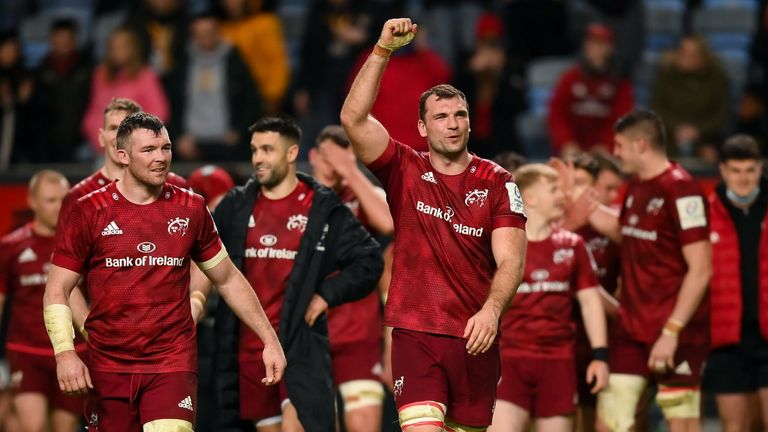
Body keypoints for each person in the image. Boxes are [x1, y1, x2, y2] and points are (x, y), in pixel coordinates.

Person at [340, 18, 528, 432]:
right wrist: (383, 51)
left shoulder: (498, 181)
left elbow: (511, 260)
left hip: (475, 337)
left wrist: (492, 312)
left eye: (460, 114)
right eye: (441, 116)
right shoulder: (403, 169)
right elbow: (353, 120)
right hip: (415, 334)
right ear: (423, 128)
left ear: (470, 122)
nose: (453, 123)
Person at [44, 112, 286, 431]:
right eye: (149, 150)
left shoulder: (191, 207)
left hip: (171, 362)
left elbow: (226, 278)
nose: (160, 158)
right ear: (122, 155)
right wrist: (65, 353)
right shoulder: (88, 210)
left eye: (166, 148)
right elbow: (57, 288)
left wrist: (269, 338)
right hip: (108, 366)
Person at [205, 116, 383, 431]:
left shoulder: (331, 205)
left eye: (268, 149)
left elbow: (376, 247)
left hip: (318, 342)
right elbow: (206, 259)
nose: (258, 157)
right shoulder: (240, 205)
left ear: (290, 153)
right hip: (258, 345)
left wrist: (325, 295)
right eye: (255, 149)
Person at [582, 109, 711, 432]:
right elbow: (627, 234)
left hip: (675, 332)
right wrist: (579, 201)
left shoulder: (683, 189)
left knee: (681, 425)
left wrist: (671, 331)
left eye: (620, 145)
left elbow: (702, 268)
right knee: (609, 424)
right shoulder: (638, 186)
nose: (615, 152)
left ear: (640, 144)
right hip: (631, 330)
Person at [490, 163, 608, 432]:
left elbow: (590, 303)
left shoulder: (572, 245)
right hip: (509, 360)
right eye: (553, 189)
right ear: (529, 197)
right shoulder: (501, 245)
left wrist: (600, 356)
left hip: (558, 363)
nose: (562, 196)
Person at [309, 124, 394, 431]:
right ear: (314, 156)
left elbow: (388, 223)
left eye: (342, 159)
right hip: (310, 331)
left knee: (364, 424)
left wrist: (352, 171)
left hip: (359, 333)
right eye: (329, 159)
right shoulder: (296, 197)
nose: (334, 167)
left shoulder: (363, 195)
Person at [0, 170, 83, 432]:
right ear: (32, 201)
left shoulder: (83, 243)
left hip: (74, 352)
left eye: (63, 199)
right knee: (33, 427)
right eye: (50, 200)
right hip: (26, 352)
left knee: (65, 427)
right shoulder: (10, 246)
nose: (58, 207)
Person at [704, 135, 768, 432]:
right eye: (736, 170)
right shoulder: (705, 214)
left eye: (750, 170)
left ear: (761, 169)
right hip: (726, 339)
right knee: (735, 427)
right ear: (723, 171)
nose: (743, 178)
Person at [165, 11, 262, 162]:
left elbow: (252, 101)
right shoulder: (182, 63)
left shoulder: (234, 61)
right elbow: (170, 102)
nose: (205, 38)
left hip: (227, 142)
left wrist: (239, 132)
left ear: (218, 32)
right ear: (193, 35)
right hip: (189, 142)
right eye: (200, 33)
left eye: (209, 32)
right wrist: (177, 136)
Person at [547, 23, 634, 156]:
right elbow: (557, 114)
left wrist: (607, 145)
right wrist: (565, 143)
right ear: (585, 46)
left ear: (610, 48)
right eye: (592, 43)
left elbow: (623, 119)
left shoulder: (620, 83)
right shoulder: (569, 78)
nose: (595, 49)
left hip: (606, 155)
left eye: (601, 44)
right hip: (571, 152)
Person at [81, 26, 170, 155]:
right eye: (114, 47)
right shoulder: (100, 74)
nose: (118, 51)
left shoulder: (145, 76)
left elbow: (159, 112)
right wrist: (96, 135)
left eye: (123, 47)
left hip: (137, 149)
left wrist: (134, 138)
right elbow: (94, 110)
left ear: (133, 49)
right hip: (102, 147)